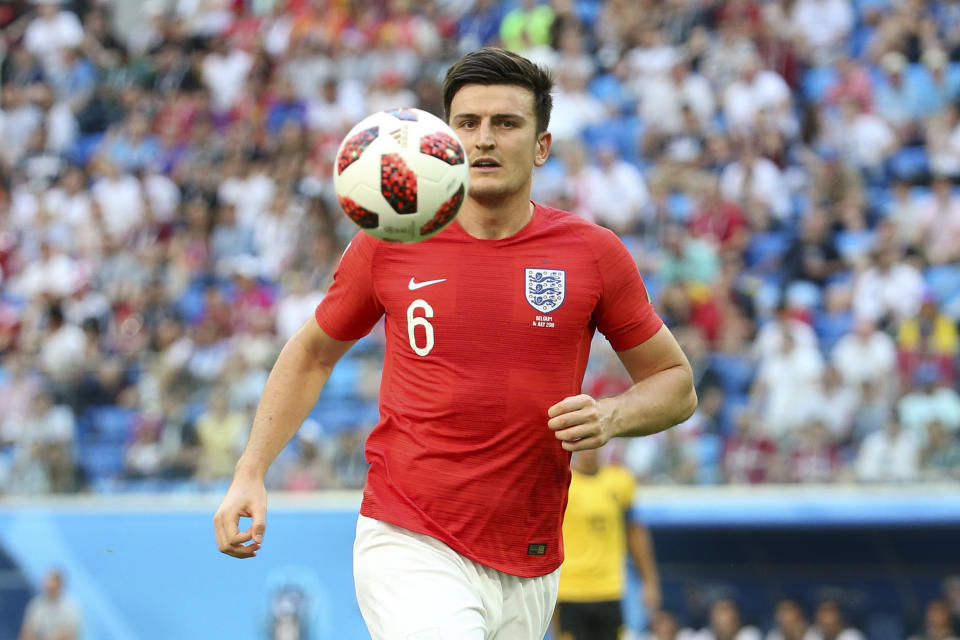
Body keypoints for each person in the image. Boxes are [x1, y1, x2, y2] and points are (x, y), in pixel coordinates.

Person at [213, 47, 697, 640]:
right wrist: (250, 470)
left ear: (542, 146)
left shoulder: (593, 254)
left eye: (506, 123)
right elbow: (313, 352)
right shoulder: (392, 235)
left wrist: (613, 414)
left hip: (531, 553)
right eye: (467, 124)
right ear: (445, 139)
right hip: (409, 534)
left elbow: (676, 384)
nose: (484, 140)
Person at [554, 448, 662, 640]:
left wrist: (650, 581)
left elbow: (635, 533)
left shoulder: (621, 481)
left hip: (610, 589)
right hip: (569, 590)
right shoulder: (561, 481)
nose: (589, 450)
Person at [18, 568, 81, 640]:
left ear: (59, 584)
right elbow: (27, 632)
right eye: (46, 581)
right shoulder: (37, 604)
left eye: (51, 581)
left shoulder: (70, 608)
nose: (47, 584)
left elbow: (65, 635)